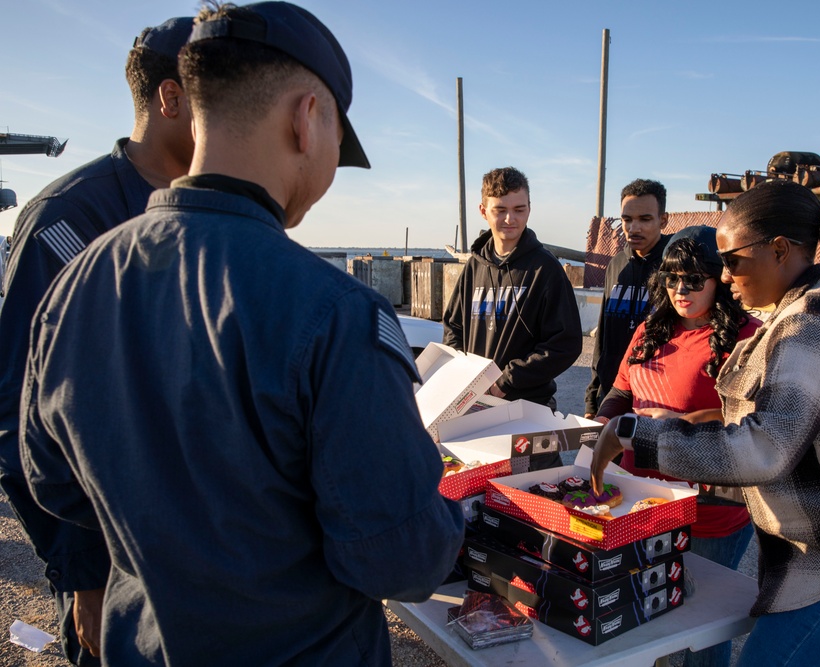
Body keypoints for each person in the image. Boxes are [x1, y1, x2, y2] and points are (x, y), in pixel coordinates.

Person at [19, 3, 464, 665]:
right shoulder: (334, 312)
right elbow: (398, 559)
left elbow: (50, 481)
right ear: (307, 118)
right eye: (341, 139)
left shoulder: (77, 283)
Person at [591, 180, 820, 667]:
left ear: (779, 250)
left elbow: (764, 449)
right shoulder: (807, 309)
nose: (726, 275)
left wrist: (637, 435)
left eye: (731, 261)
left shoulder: (808, 325)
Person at [0, 16, 195, 665]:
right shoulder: (68, 224)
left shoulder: (198, 216)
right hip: (113, 574)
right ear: (170, 99)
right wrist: (81, 571)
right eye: (220, 94)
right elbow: (16, 412)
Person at [595, 225, 759, 667]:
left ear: (719, 278)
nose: (681, 291)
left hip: (709, 506)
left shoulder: (748, 337)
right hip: (643, 500)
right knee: (654, 617)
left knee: (702, 628)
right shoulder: (652, 327)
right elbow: (621, 390)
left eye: (693, 279)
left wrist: (683, 423)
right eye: (671, 279)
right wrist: (600, 422)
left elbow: (760, 424)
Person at [443, 166, 582, 408]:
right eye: (500, 210)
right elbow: (453, 327)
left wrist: (506, 381)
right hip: (473, 402)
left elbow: (565, 344)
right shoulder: (474, 267)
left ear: (529, 208)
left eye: (519, 209)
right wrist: (462, 374)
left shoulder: (545, 269)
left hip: (528, 406)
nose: (510, 219)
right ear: (483, 211)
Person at [584, 178, 671, 418]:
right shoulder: (617, 264)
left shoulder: (674, 268)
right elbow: (603, 336)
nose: (634, 228)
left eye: (645, 219)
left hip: (655, 403)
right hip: (611, 397)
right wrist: (593, 399)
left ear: (663, 219)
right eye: (627, 219)